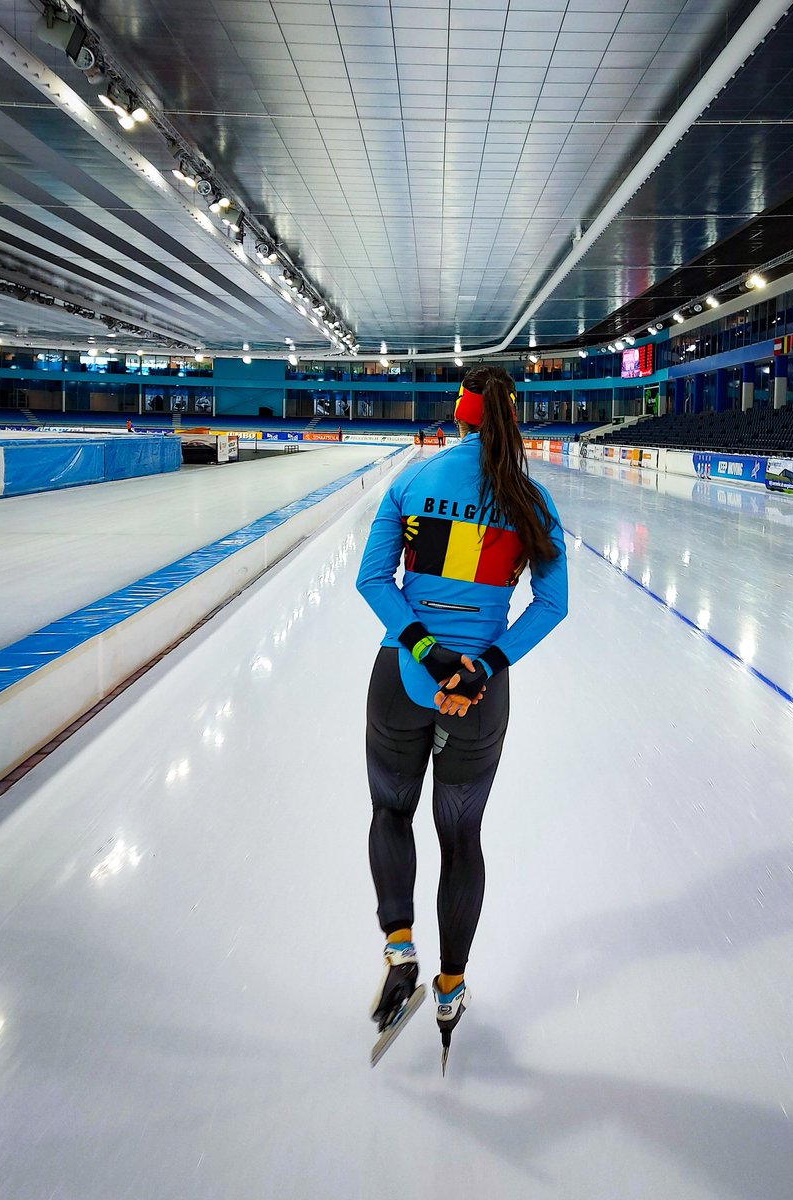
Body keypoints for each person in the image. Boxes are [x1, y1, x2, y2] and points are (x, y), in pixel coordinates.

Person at [356, 364, 567, 1066]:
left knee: (391, 812)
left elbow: (372, 580)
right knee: (461, 839)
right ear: (510, 417)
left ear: (459, 415)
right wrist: (481, 665)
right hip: (479, 695)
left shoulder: (413, 481)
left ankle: (400, 950)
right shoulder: (532, 502)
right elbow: (552, 604)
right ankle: (450, 987)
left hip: (403, 677)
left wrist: (427, 650)